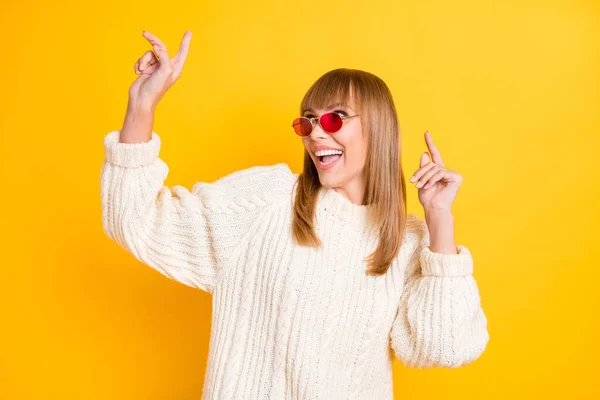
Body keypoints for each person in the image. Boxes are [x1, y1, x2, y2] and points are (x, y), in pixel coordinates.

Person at [100, 30, 489, 399]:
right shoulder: (268, 200)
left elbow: (444, 347)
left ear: (379, 129)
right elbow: (134, 218)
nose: (317, 134)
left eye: (336, 118)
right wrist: (142, 104)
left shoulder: (408, 243)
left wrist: (440, 218)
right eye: (308, 121)